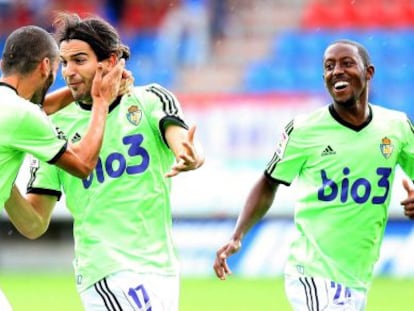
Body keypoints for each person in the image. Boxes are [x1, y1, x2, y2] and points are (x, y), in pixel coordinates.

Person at [5, 12, 204, 311]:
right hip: (105, 270)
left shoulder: (150, 99)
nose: (69, 71)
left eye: (79, 60)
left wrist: (192, 156)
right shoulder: (51, 126)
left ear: (109, 62)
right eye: (65, 62)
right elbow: (34, 224)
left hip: (161, 269)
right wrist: (3, 181)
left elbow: (185, 144)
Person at [213, 39, 414, 311]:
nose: (337, 71)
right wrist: (237, 235)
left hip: (357, 278)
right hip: (312, 273)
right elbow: (269, 181)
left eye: (347, 63)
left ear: (369, 73)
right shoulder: (305, 130)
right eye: (329, 67)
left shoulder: (397, 126)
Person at [0, 24, 125, 310]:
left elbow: (37, 112)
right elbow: (82, 164)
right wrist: (101, 101)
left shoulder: (11, 111)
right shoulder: (21, 115)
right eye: (61, 66)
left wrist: (85, 86)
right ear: (46, 66)